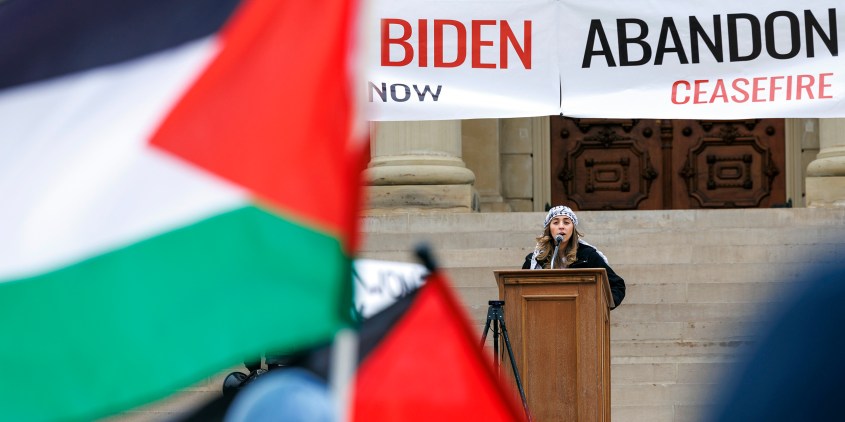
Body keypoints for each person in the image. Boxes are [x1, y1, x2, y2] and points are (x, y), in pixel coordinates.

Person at [522, 205, 625, 308]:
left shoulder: (587, 256)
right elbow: (521, 289)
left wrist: (602, 306)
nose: (561, 226)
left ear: (573, 229)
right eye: (555, 222)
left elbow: (617, 285)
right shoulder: (534, 259)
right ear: (549, 229)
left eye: (566, 222)